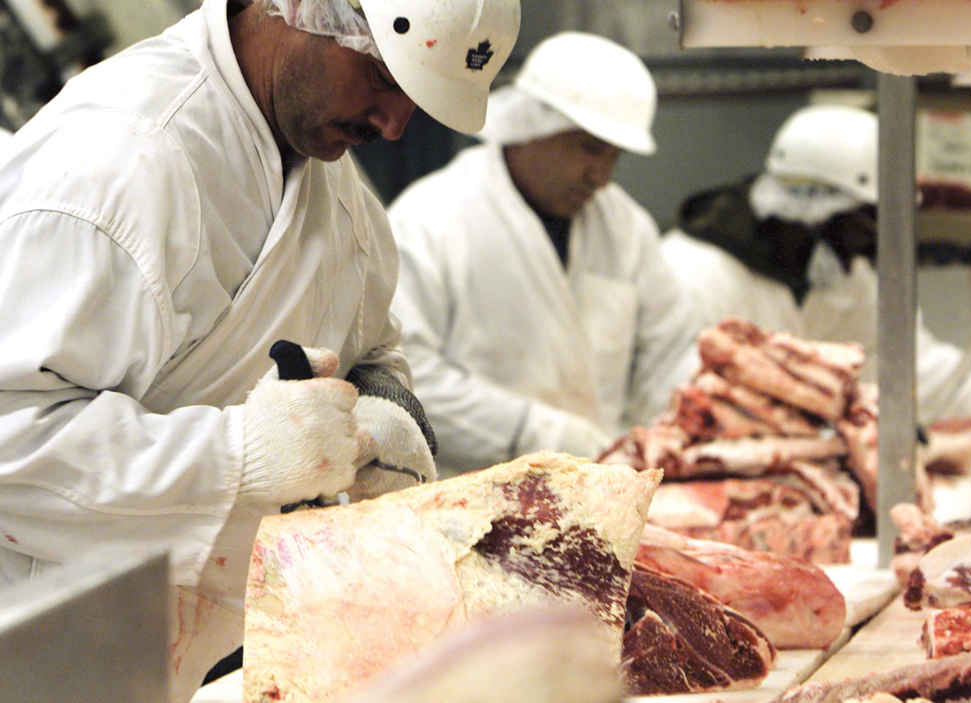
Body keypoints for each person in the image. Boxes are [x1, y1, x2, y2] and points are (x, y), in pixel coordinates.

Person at [0, 0, 520, 700]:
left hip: (220, 641)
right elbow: (11, 439)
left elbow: (368, 332)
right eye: (380, 76)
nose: (394, 124)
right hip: (59, 651)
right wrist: (240, 455)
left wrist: (385, 405)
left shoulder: (315, 154)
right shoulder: (118, 163)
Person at [388, 31, 702, 478]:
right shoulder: (432, 219)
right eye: (591, 149)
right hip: (465, 500)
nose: (602, 177)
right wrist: (536, 432)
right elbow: (404, 375)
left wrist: (661, 448)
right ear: (532, 127)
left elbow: (669, 356)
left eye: (615, 157)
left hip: (601, 492)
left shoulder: (626, 230)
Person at [660, 103, 971, 424]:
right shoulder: (697, 274)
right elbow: (673, 400)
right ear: (816, 213)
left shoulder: (845, 280)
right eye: (870, 220)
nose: (876, 240)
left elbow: (908, 369)